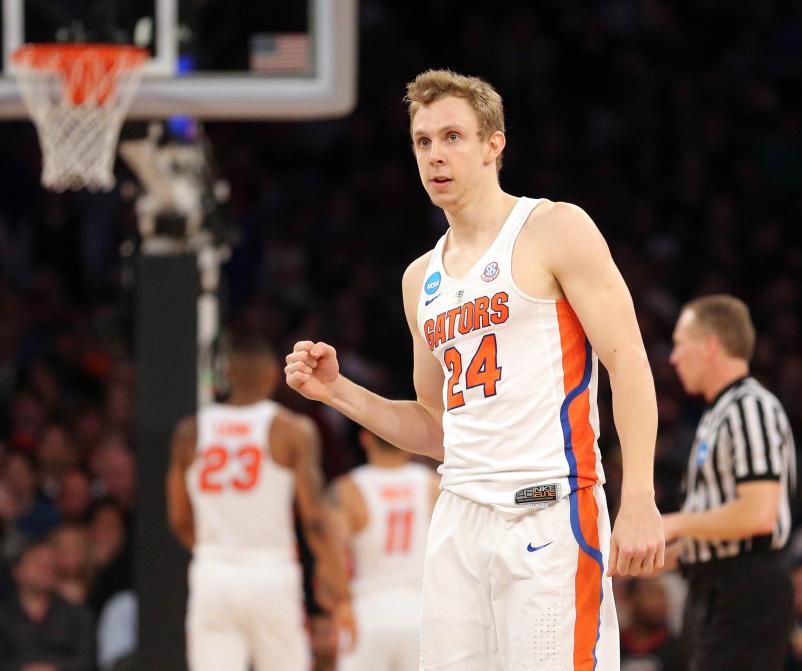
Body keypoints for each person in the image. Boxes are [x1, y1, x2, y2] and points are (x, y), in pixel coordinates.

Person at [285, 69, 664, 669]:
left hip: (548, 509)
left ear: (494, 144)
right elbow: (437, 428)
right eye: (423, 141)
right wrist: (337, 392)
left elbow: (629, 363)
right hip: (458, 519)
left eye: (453, 136)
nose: (436, 155)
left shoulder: (553, 228)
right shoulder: (420, 279)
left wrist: (639, 496)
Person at [167, 335, 348, 671]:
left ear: (227, 375)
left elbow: (178, 519)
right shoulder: (291, 429)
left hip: (213, 572)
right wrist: (337, 583)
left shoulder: (190, 432)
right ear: (271, 376)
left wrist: (217, 552)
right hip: (271, 570)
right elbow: (314, 519)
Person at [663, 294, 796, 670]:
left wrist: (674, 522)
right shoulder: (717, 412)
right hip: (712, 584)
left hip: (746, 587)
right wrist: (661, 555)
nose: (673, 358)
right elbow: (717, 524)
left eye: (679, 345)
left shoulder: (751, 407)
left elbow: (758, 515)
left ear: (709, 347)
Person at [333, 428, 439, 671]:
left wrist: (342, 603)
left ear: (365, 439)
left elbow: (332, 554)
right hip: (421, 612)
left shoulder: (348, 488)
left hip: (368, 613)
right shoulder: (433, 484)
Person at [0, 538, 95, 670]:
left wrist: (53, 669)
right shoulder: (4, 616)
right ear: (17, 571)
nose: (46, 571)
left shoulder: (76, 614)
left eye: (51, 566)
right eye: (39, 565)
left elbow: (87, 661)